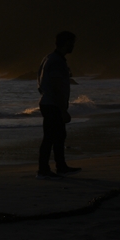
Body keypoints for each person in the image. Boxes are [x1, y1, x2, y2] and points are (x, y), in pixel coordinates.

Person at [36, 31, 80, 179]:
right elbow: (56, 86)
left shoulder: (49, 58)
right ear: (66, 43)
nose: (73, 46)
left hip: (47, 102)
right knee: (52, 137)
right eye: (72, 43)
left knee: (57, 136)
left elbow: (41, 84)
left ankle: (59, 167)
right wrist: (63, 110)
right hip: (53, 104)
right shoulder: (57, 61)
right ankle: (45, 170)